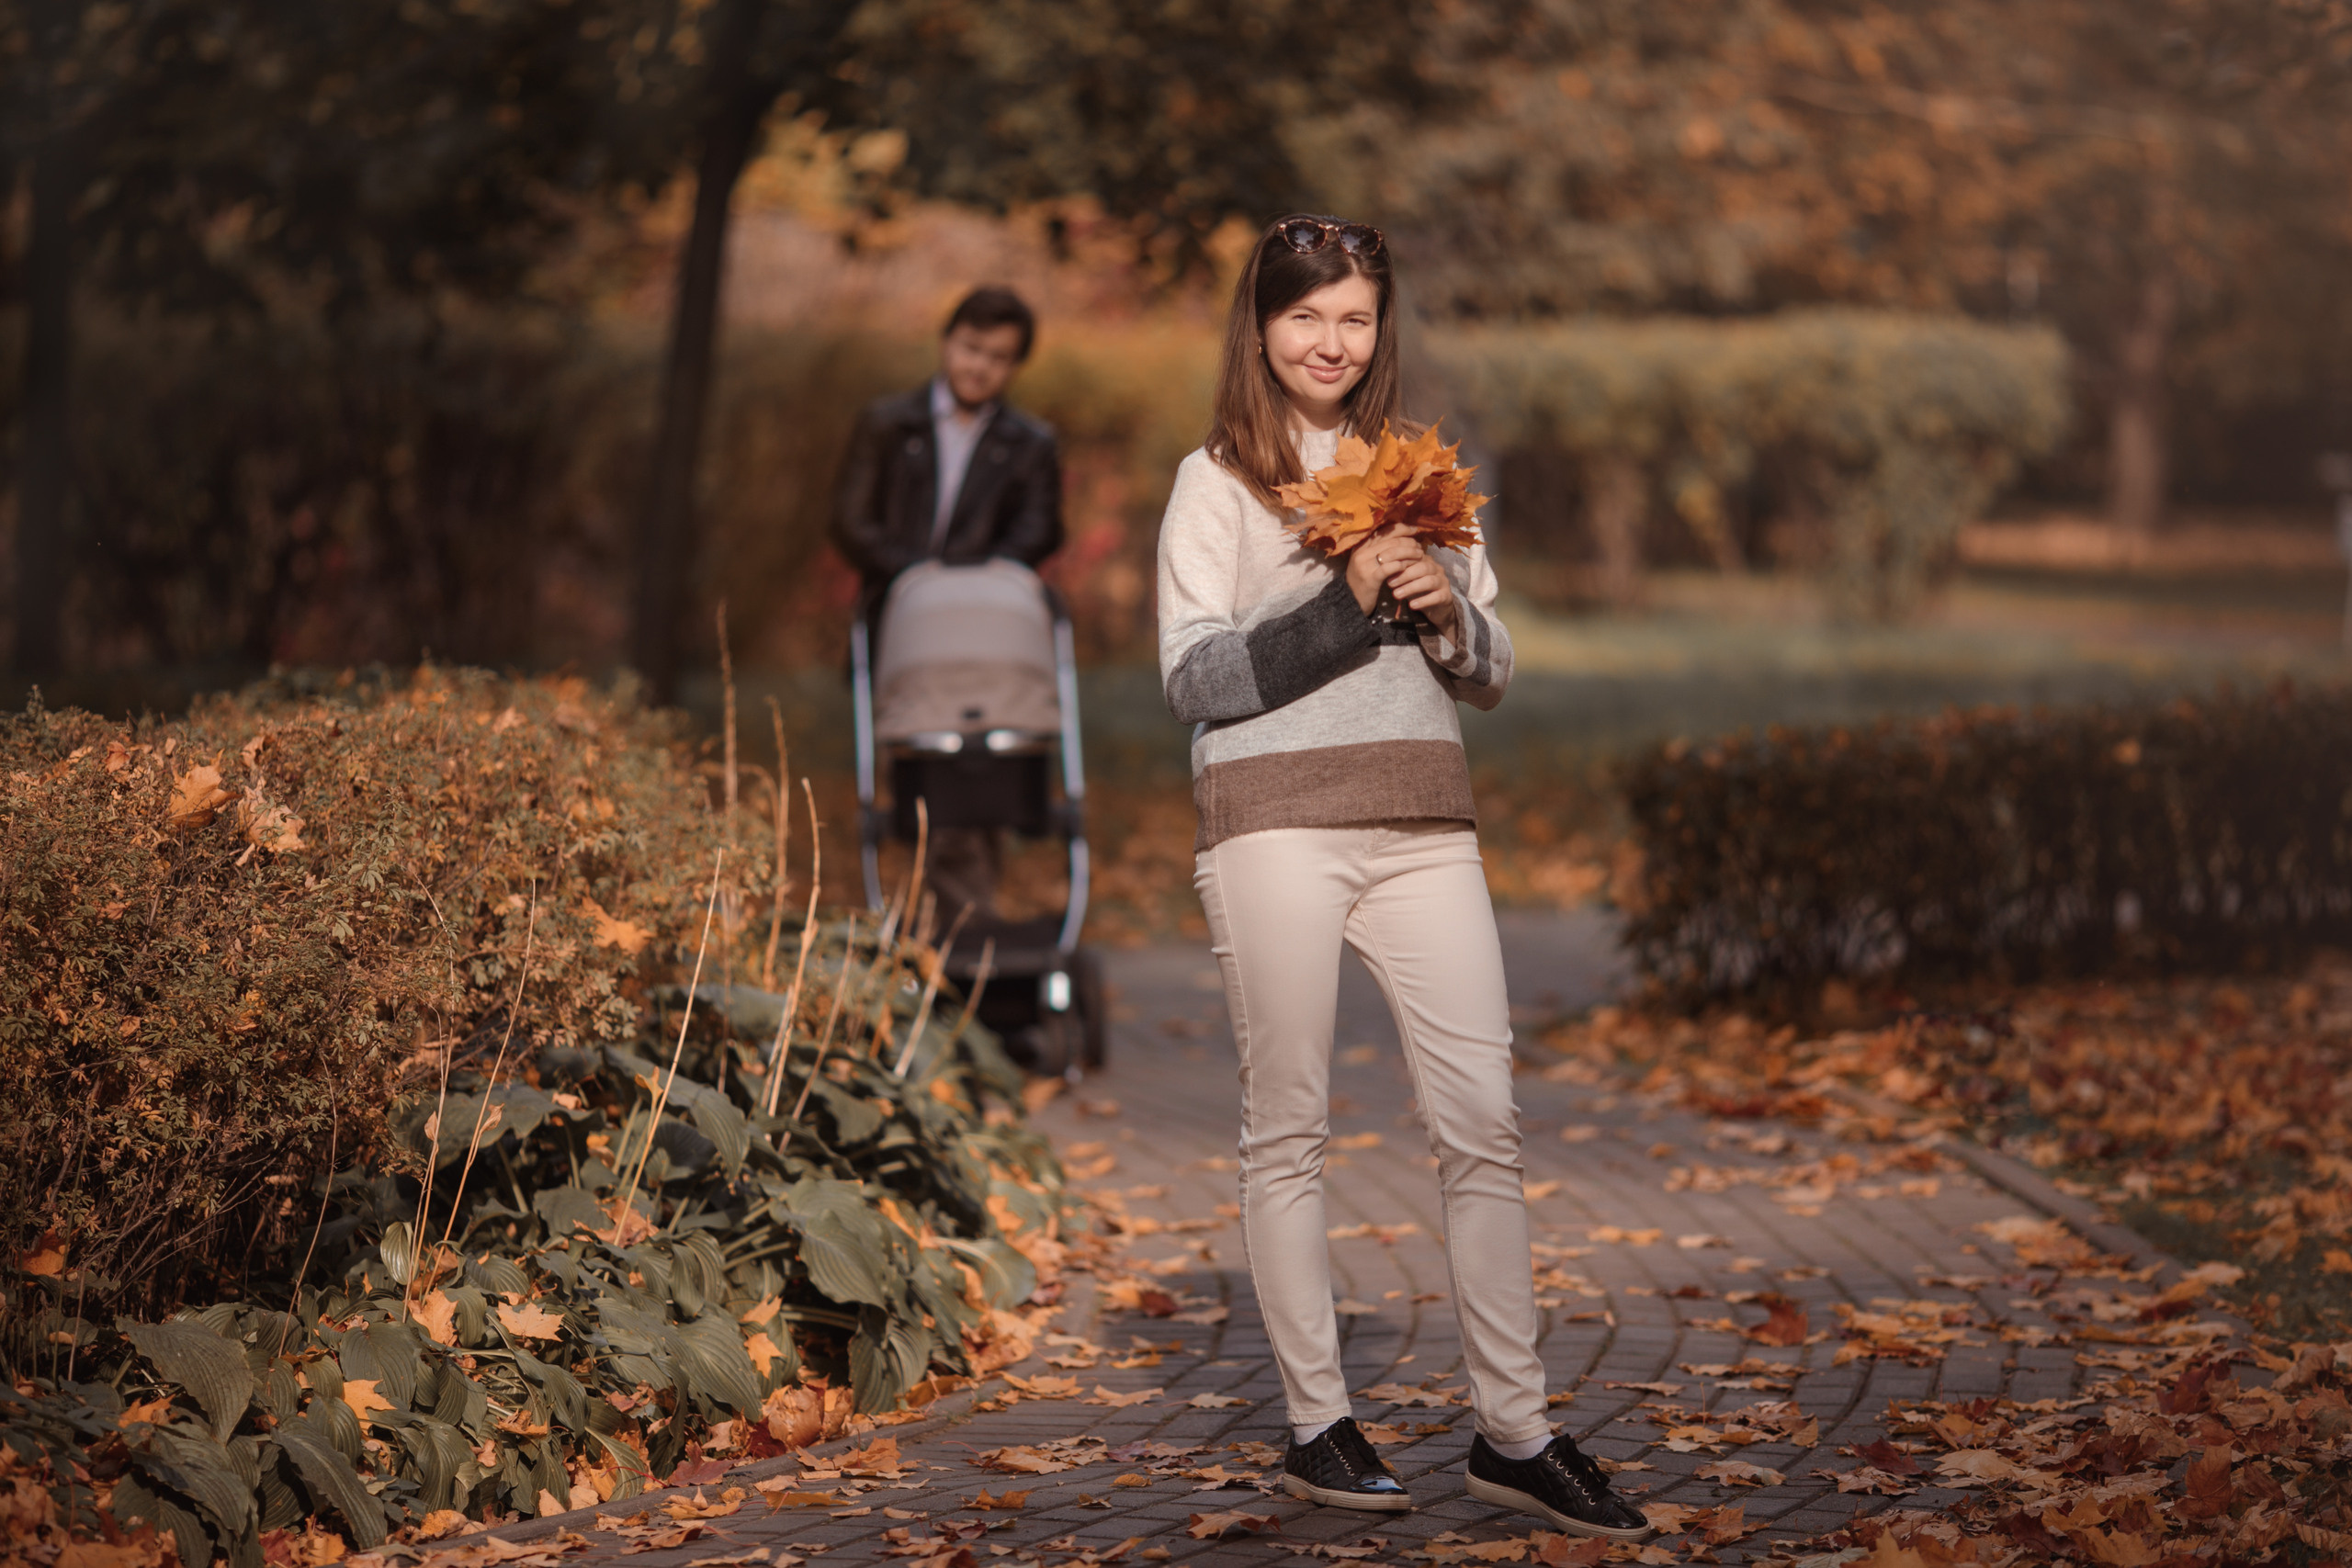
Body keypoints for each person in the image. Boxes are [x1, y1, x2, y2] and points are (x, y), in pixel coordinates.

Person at [1154, 215, 1653, 1542]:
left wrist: (1442, 608)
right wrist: (1345, 602)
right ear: (1262, 325)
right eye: (1305, 315)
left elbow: (1492, 669)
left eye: (1355, 318)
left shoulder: (1423, 471)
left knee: (1483, 1120)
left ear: (1381, 329)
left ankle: (1515, 1434)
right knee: (1290, 1125)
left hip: (1425, 823)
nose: (1330, 341)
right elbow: (1193, 677)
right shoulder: (1218, 481)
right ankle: (1318, 1424)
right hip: (1275, 827)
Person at [831, 286, 1064, 921]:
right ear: (947, 341)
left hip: (987, 636)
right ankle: (942, 918)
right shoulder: (888, 425)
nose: (979, 366)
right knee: (912, 770)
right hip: (901, 628)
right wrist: (919, 576)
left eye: (998, 357)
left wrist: (974, 582)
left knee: (979, 775)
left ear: (1014, 366)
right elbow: (852, 521)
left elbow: (1040, 528)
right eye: (971, 348)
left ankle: (958, 923)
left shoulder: (1030, 443)